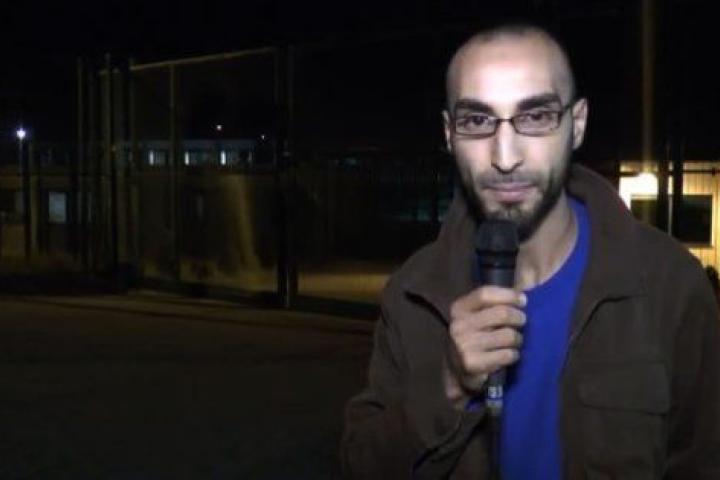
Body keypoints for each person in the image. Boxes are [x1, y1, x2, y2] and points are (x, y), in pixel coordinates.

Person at [341, 22, 720, 479]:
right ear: (449, 133)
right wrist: (448, 385)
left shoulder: (670, 284)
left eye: (535, 116)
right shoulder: (413, 293)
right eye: (477, 121)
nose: (505, 157)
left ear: (576, 125)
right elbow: (361, 466)